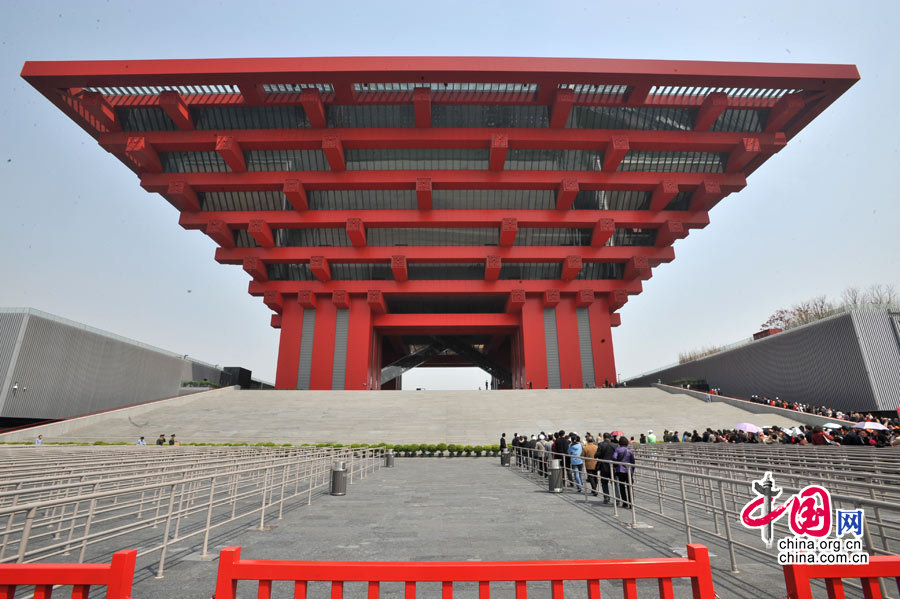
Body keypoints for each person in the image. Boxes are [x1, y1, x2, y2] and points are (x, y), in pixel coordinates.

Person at [612, 436, 636, 509]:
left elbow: (614, 457)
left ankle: (625, 503)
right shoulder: (630, 451)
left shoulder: (617, 449)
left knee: (622, 486)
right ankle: (631, 503)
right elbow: (633, 462)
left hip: (620, 470)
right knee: (630, 486)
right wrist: (632, 470)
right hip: (629, 470)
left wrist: (617, 463)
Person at [596, 433, 616, 503]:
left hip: (603, 467)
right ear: (610, 438)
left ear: (604, 437)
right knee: (615, 483)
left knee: (604, 483)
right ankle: (617, 498)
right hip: (613, 467)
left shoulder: (601, 444)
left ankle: (606, 497)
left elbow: (597, 455)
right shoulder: (615, 445)